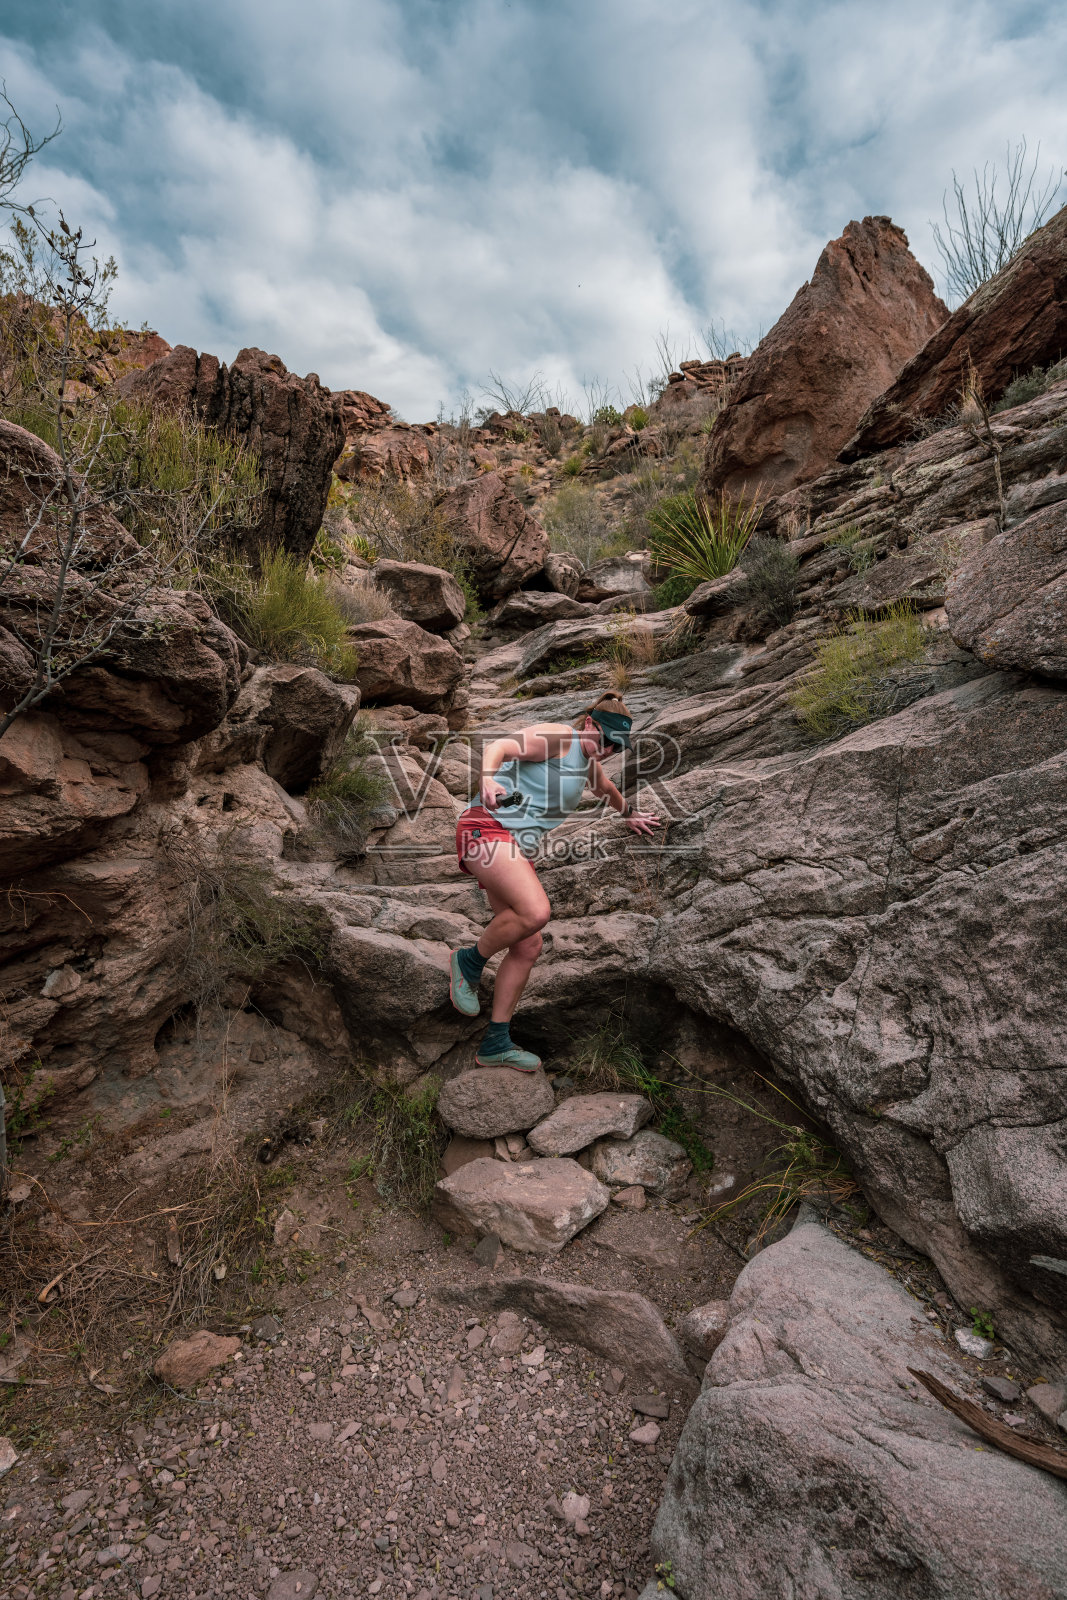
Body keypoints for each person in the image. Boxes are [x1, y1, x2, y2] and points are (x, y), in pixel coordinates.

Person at [449, 692, 660, 1070]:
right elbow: (500, 745)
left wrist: (630, 814)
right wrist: (487, 780)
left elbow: (605, 790)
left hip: (513, 847)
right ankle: (467, 962)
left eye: (618, 745)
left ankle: (496, 1042)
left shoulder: (589, 762)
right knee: (536, 911)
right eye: (606, 738)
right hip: (485, 827)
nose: (610, 749)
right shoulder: (561, 738)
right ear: (590, 724)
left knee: (528, 945)